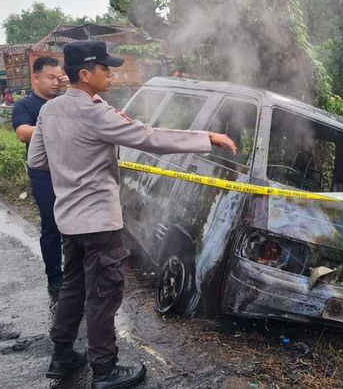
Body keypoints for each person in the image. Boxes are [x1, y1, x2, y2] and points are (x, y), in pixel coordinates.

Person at [28, 40, 237, 389]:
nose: (110, 73)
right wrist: (207, 138)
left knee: (73, 286)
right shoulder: (98, 114)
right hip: (98, 221)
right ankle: (106, 370)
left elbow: (36, 160)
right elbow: (150, 137)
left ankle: (62, 354)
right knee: (104, 293)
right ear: (84, 74)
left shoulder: (48, 112)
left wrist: (71, 169)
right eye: (104, 68)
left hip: (68, 219)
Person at [12, 57, 67, 306]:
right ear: (36, 77)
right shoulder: (26, 105)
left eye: (59, 77)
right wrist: (52, 125)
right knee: (52, 225)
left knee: (75, 225)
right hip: (43, 173)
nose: (56, 83)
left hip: (70, 170)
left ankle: (76, 274)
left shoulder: (65, 102)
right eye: (51, 78)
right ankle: (55, 278)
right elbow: (22, 133)